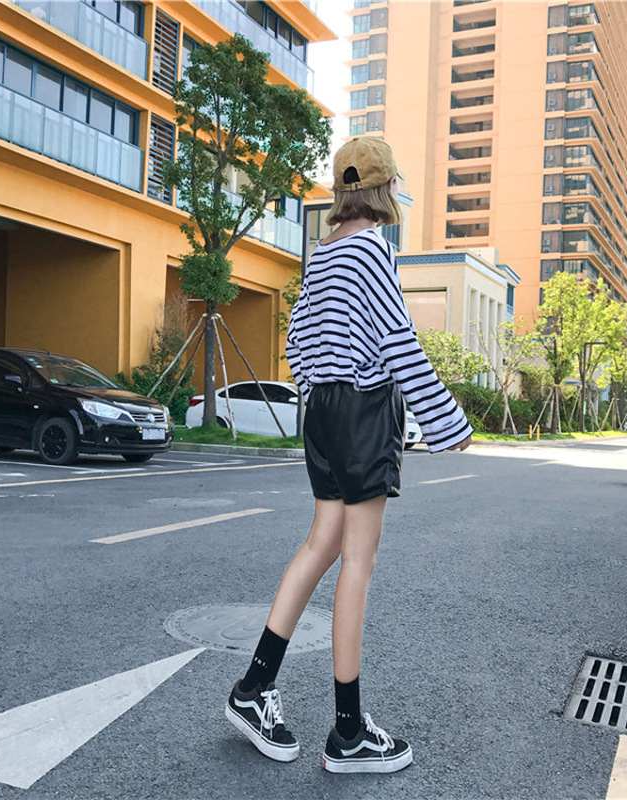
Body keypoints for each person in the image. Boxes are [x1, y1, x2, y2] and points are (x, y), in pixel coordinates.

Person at [225, 137, 472, 774]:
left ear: (341, 194)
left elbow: (296, 340)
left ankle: (254, 688)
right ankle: (349, 731)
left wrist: (319, 394)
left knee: (321, 544)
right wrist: (448, 423)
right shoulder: (373, 251)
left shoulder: (323, 255)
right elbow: (399, 343)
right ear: (387, 190)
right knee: (356, 562)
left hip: (325, 413)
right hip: (363, 411)